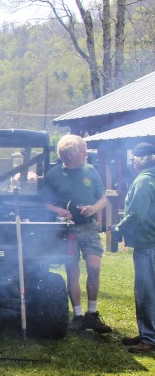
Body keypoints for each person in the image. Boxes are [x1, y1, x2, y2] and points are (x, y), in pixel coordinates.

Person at [41, 134, 112, 334]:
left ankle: (92, 314)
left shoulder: (91, 170)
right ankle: (79, 316)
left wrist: (93, 209)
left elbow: (103, 199)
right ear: (71, 155)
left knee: (94, 267)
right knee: (72, 270)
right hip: (67, 229)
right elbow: (45, 202)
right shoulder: (53, 175)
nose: (86, 153)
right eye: (83, 150)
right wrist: (59, 211)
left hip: (88, 226)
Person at [114, 142, 155, 354]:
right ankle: (147, 332)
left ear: (138, 161)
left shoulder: (145, 181)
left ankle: (149, 339)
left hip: (148, 243)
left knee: (146, 291)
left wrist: (118, 228)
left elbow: (137, 214)